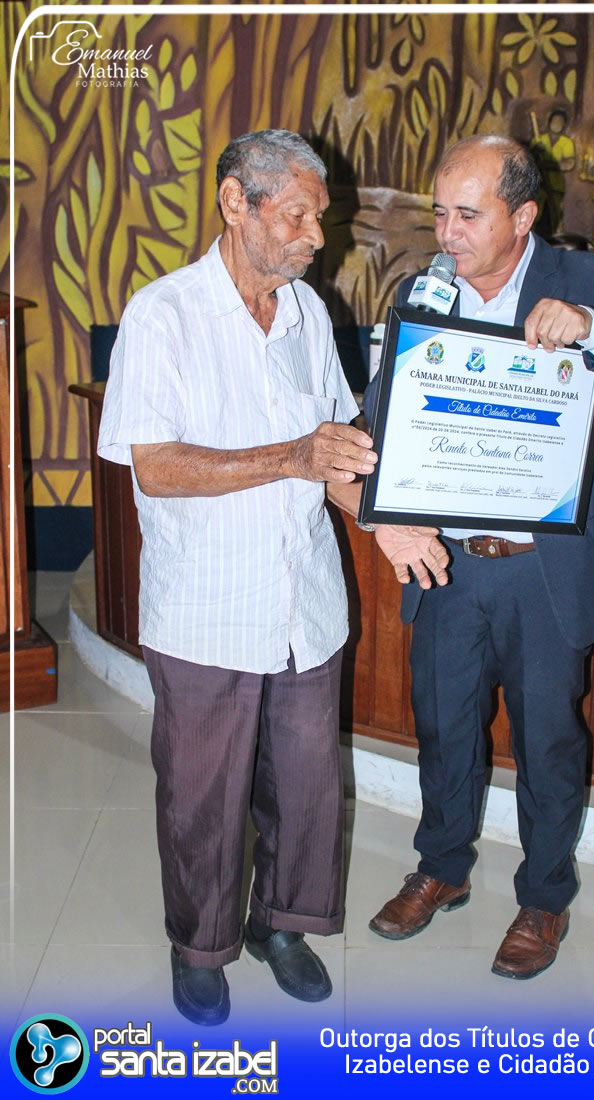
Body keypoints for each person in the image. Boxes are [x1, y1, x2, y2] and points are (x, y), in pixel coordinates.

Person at [97, 129, 448, 1025]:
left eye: (317, 218)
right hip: (206, 605)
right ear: (234, 203)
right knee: (202, 796)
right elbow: (155, 467)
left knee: (304, 786)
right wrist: (289, 456)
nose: (313, 237)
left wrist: (380, 520)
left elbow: (331, 454)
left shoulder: (305, 315)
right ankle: (199, 946)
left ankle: (280, 927)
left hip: (304, 603)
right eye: (294, 216)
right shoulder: (163, 315)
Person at [365, 135, 594, 980]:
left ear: (522, 217)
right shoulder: (421, 290)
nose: (446, 233)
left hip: (543, 569)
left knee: (548, 739)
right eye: (438, 213)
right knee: (443, 726)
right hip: (446, 562)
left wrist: (592, 330)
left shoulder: (592, 283)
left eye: (467, 214)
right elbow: (385, 409)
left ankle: (543, 897)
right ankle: (441, 867)